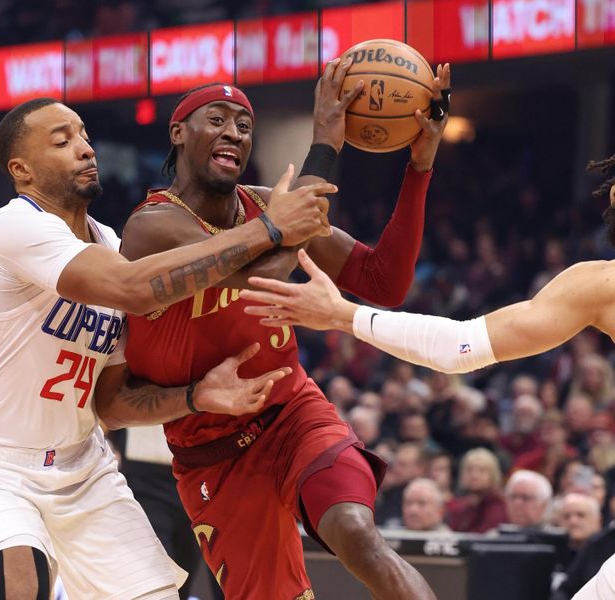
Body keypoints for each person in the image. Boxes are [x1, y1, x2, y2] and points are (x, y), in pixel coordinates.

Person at [0, 97, 335, 600]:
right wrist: (268, 227)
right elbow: (137, 288)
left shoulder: (112, 246)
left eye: (84, 135)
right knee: (21, 583)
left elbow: (111, 404)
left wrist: (198, 395)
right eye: (63, 140)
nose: (85, 149)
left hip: (82, 468)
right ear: (21, 170)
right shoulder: (16, 228)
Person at [113, 53, 451, 599]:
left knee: (358, 534)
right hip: (214, 454)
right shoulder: (153, 226)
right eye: (217, 119)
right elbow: (260, 272)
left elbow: (383, 280)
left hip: (293, 412)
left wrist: (419, 168)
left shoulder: (269, 205)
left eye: (245, 125)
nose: (234, 133)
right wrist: (325, 144)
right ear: (178, 132)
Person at [240, 152, 615, 598]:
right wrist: (345, 315)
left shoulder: (601, 285)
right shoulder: (600, 285)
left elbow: (459, 349)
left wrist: (345, 315)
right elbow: (463, 346)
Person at [445, 447, 507, 533]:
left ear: (493, 475)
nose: (474, 476)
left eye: (482, 470)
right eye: (469, 470)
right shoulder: (459, 507)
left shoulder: (499, 506)